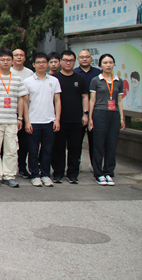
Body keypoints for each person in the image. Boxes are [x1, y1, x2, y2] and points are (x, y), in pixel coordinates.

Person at [0, 49, 26, 188]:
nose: (6, 62)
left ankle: (9, 175)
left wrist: (20, 117)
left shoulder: (17, 79)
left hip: (11, 120)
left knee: (11, 149)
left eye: (8, 60)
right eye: (3, 60)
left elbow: (21, 99)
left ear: (12, 61)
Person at [23, 53, 61, 187]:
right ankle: (35, 175)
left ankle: (45, 174)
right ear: (33, 64)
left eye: (44, 62)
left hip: (49, 121)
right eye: (38, 62)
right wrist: (27, 121)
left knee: (47, 150)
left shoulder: (54, 81)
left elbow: (57, 101)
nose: (41, 65)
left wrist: (57, 119)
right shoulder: (28, 81)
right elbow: (25, 103)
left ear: (48, 64)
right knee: (33, 150)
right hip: (33, 121)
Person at [51, 50, 89, 184]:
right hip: (59, 120)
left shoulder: (80, 79)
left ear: (75, 62)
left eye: (71, 60)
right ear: (61, 61)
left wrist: (85, 114)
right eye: (66, 60)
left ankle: (73, 174)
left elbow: (85, 97)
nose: (68, 63)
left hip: (76, 119)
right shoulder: (54, 78)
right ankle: (58, 173)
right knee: (58, 148)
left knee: (75, 148)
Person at [88, 53, 125, 186]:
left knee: (111, 144)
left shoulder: (118, 81)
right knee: (98, 144)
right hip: (99, 113)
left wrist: (122, 117)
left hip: (114, 114)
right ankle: (98, 174)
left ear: (114, 64)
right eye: (105, 63)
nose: (108, 65)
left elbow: (119, 100)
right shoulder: (96, 80)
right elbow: (92, 100)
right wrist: (90, 117)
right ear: (100, 65)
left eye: (110, 62)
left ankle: (108, 172)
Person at [74, 49, 101, 165]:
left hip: (95, 110)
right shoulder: (74, 73)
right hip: (78, 111)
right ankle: (76, 163)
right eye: (82, 57)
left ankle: (94, 164)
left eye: (87, 57)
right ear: (78, 59)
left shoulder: (98, 73)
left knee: (95, 140)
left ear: (91, 59)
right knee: (76, 141)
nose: (84, 59)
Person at [11, 48, 34, 178]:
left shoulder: (30, 73)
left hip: (25, 112)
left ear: (25, 58)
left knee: (24, 143)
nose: (19, 57)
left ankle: (22, 167)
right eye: (16, 55)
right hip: (9, 112)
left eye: (21, 55)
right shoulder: (7, 71)